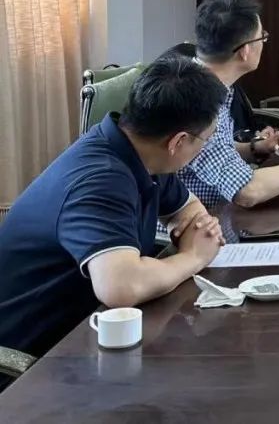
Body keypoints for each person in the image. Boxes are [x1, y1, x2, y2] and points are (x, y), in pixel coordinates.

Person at [0, 55, 227, 360]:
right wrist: (193, 257)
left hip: (88, 334)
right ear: (178, 142)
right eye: (205, 140)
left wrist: (192, 237)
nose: (204, 147)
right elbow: (121, 287)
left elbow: (189, 210)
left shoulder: (142, 151)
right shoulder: (101, 179)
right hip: (31, 360)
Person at [179, 0, 279, 208]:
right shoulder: (199, 102)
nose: (264, 42)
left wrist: (257, 148)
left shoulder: (199, 82)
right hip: (200, 221)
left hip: (216, 213)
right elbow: (246, 191)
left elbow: (212, 152)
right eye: (262, 36)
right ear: (245, 51)